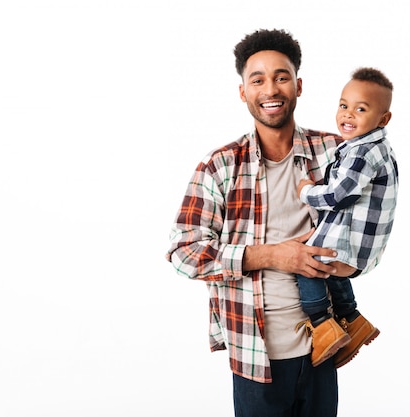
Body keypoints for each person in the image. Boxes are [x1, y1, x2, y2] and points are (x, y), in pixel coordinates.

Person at [166, 28, 345, 417]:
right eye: (257, 79)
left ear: (298, 85)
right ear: (243, 91)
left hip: (323, 344)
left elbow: (373, 223)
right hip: (254, 352)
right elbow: (183, 252)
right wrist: (273, 256)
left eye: (281, 77)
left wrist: (342, 255)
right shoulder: (220, 165)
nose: (271, 89)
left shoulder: (336, 152)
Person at [295, 67, 398, 368]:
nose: (348, 115)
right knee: (328, 269)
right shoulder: (372, 148)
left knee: (307, 263)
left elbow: (339, 196)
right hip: (359, 245)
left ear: (383, 119)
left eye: (361, 109)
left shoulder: (364, 153)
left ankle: (323, 325)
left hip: (350, 242)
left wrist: (306, 191)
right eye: (344, 105)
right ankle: (352, 319)